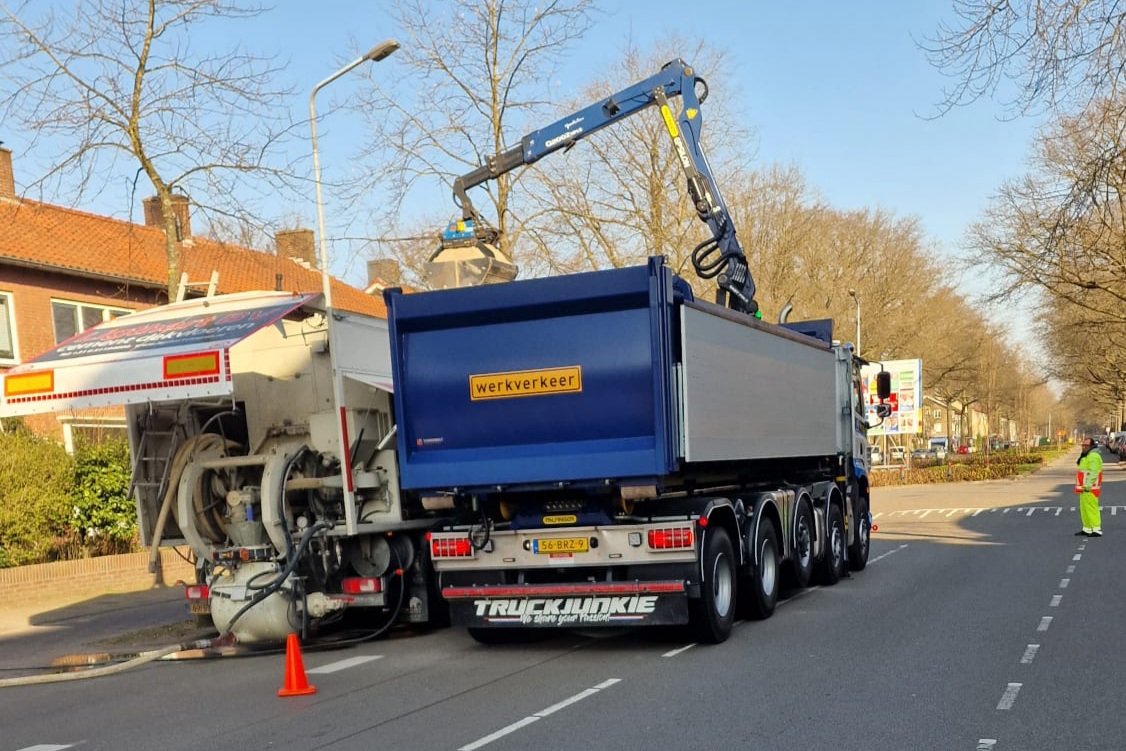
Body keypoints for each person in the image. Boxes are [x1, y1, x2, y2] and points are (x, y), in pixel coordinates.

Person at [1075, 436, 1104, 537]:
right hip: (1084, 488)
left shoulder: (1093, 456)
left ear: (1091, 446)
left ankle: (1096, 528)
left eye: (1086, 445)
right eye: (1083, 445)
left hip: (1090, 488)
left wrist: (1087, 485)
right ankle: (1087, 528)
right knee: (1084, 508)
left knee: (1091, 508)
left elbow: (1094, 472)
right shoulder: (1086, 456)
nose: (1084, 447)